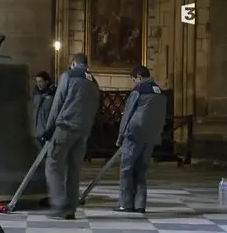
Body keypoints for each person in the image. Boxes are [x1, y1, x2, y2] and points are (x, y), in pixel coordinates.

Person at [39, 53, 100, 219]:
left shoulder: (69, 75)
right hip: (84, 130)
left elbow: (58, 101)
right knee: (74, 169)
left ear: (73, 63)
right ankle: (71, 209)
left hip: (66, 126)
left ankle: (59, 204)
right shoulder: (93, 82)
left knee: (53, 163)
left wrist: (49, 127)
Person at [114, 65, 167, 213]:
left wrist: (120, 135)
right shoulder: (161, 92)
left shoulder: (138, 91)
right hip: (151, 136)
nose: (134, 83)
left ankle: (125, 204)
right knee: (141, 170)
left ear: (138, 77)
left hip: (134, 134)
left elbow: (128, 114)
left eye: (133, 80)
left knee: (126, 169)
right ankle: (140, 204)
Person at [32, 71, 56, 149]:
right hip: (36, 132)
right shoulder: (36, 94)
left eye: (40, 81)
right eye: (37, 81)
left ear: (47, 81)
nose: (38, 84)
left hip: (47, 132)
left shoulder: (53, 95)